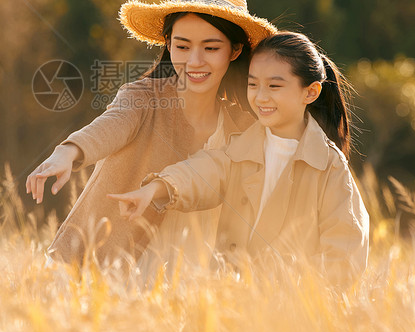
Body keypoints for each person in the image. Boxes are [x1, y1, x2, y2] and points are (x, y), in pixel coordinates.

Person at [25, 0, 276, 266]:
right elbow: (112, 124)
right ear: (168, 44)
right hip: (118, 267)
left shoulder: (244, 126)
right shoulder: (143, 97)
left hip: (203, 281)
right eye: (183, 46)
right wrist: (69, 151)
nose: (194, 61)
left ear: (234, 50)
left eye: (210, 48)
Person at [109, 31, 370, 287]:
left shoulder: (329, 167)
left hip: (287, 312)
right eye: (253, 84)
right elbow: (202, 172)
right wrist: (157, 188)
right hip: (227, 299)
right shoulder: (241, 147)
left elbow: (345, 251)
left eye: (274, 86)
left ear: (310, 92)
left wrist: (298, 293)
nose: (261, 96)